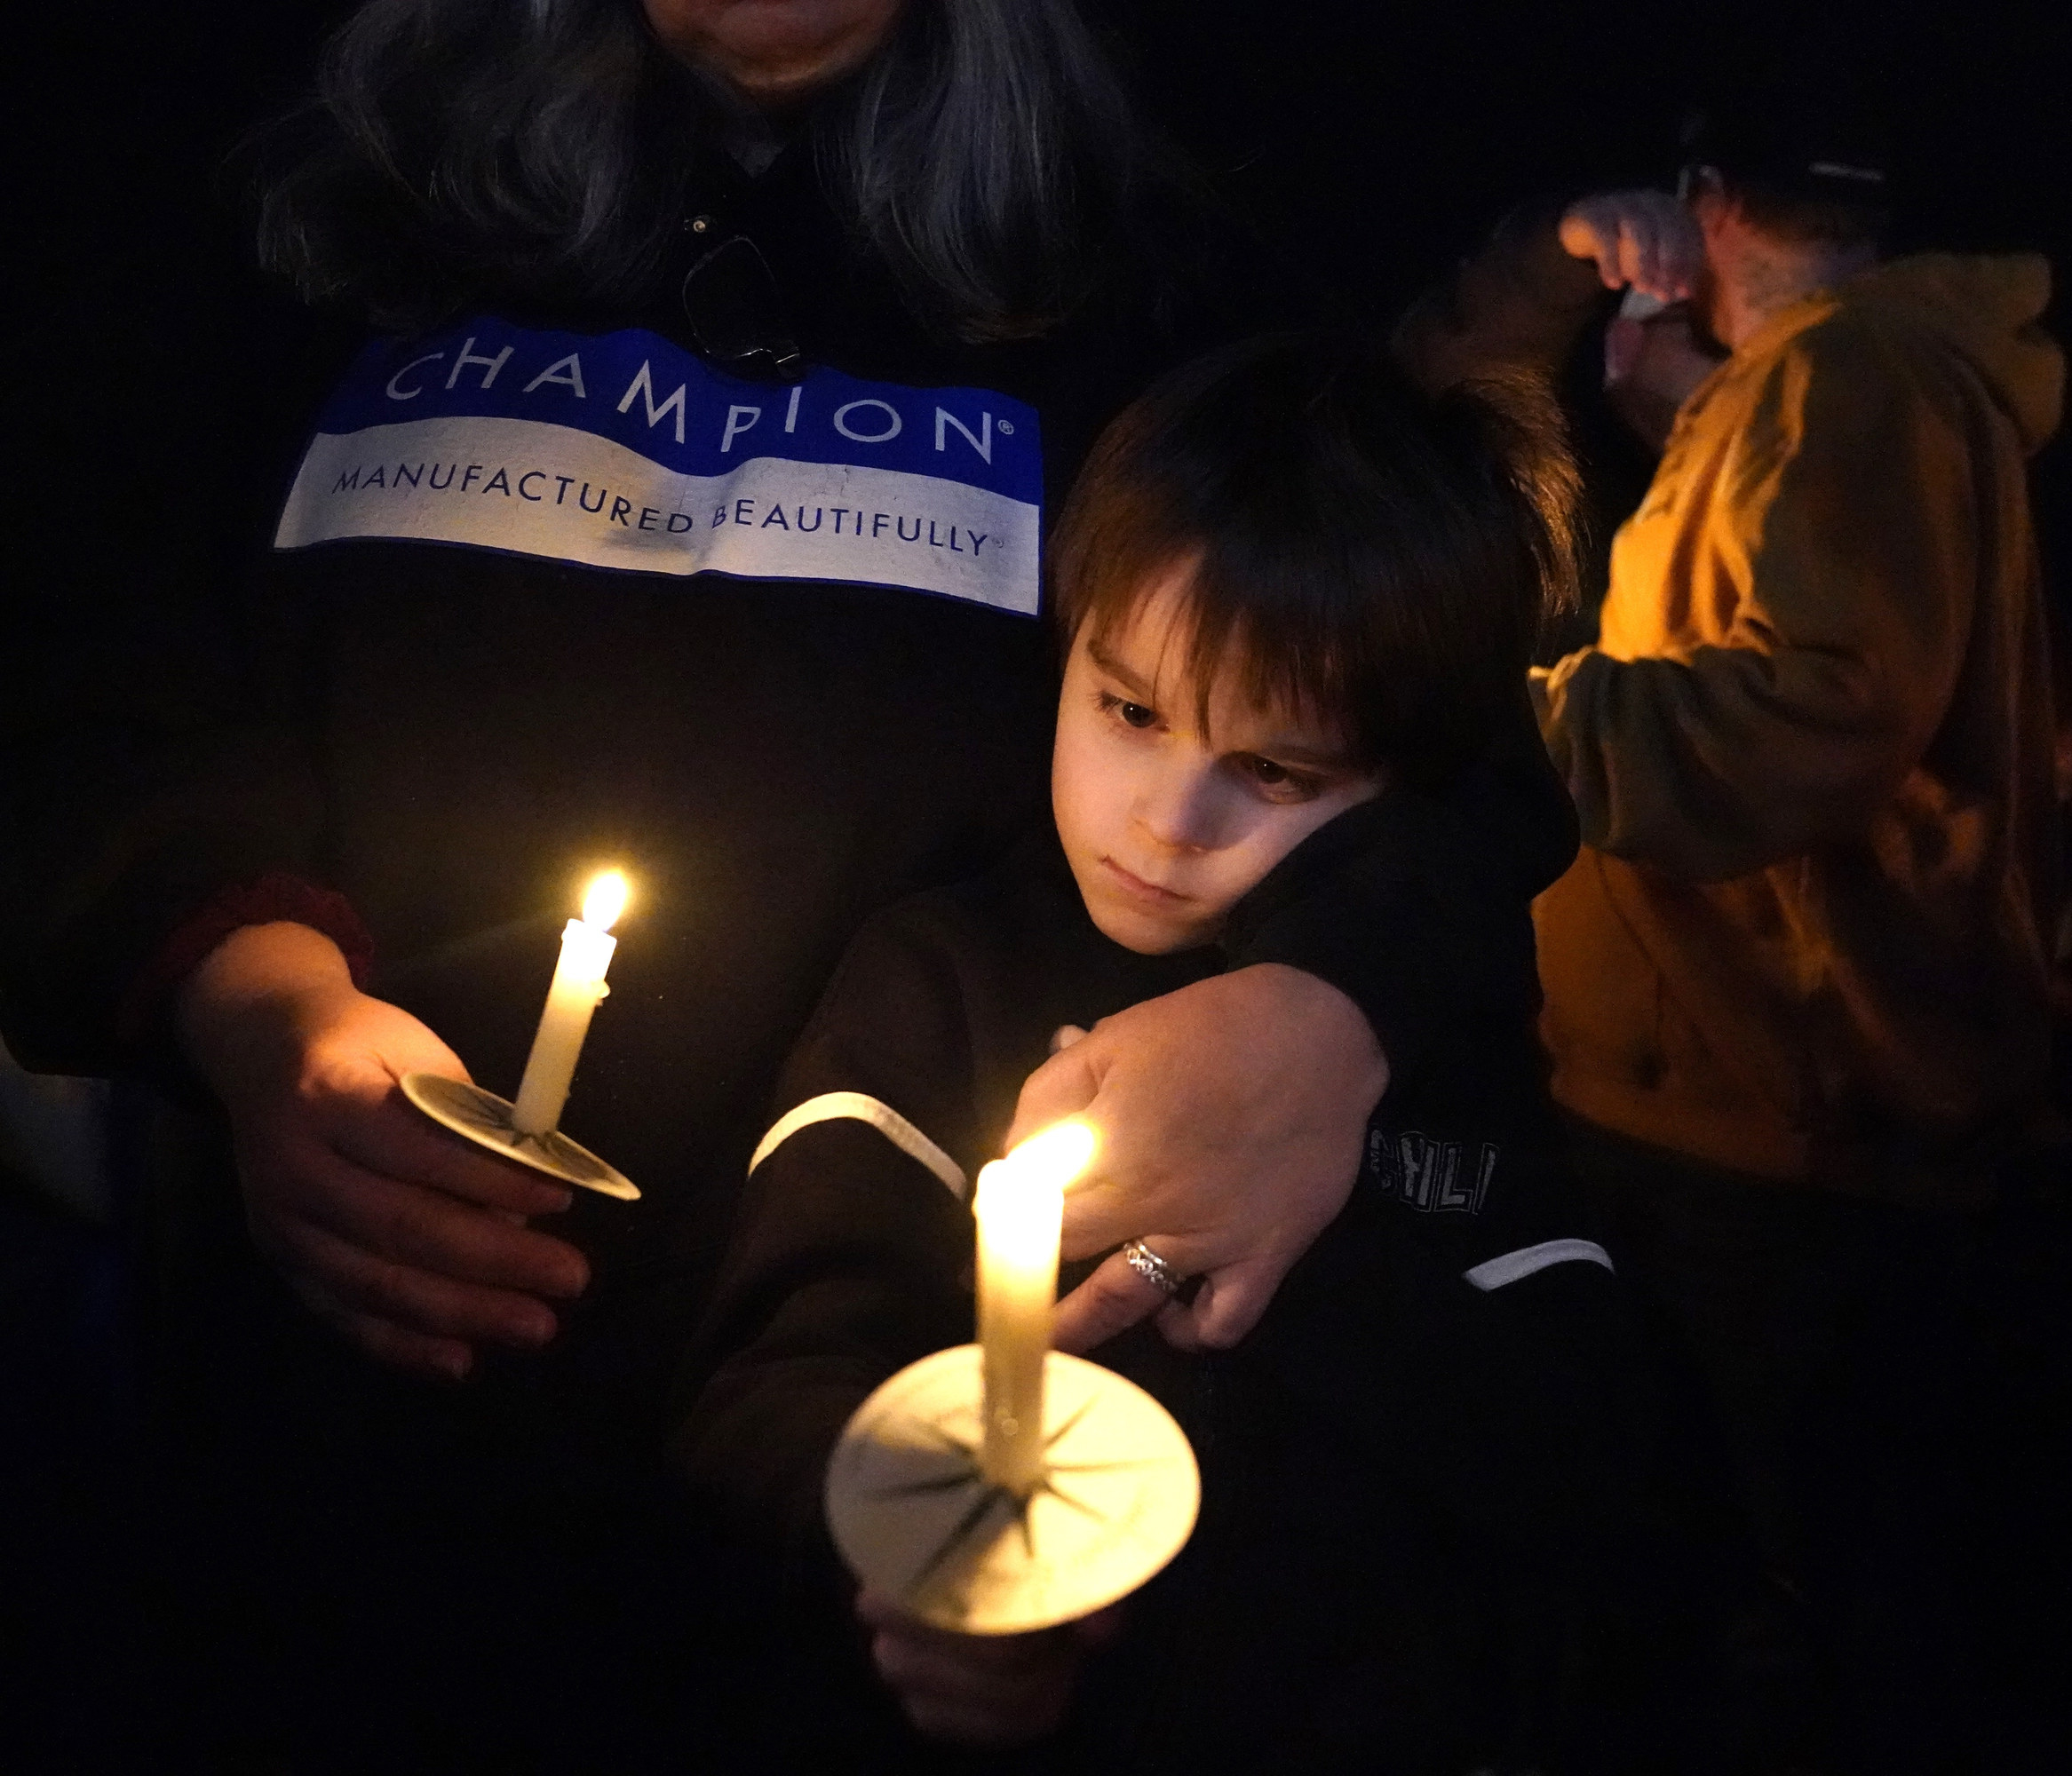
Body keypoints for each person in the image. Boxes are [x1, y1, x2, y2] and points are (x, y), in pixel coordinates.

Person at [0, 3, 1570, 1762]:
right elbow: (78, 665)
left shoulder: (1153, 276)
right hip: (312, 1455)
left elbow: (1442, 735)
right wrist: (240, 979)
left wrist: (1325, 1003)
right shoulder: (295, 209)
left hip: (848, 1508)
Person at [678, 336, 1705, 1772]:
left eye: (1277, 771)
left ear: (1403, 790)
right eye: (1131, 711)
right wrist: (914, 1580)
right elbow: (768, 1388)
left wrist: (1305, 1247)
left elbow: (1588, 1462)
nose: (1167, 822)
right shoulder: (937, 977)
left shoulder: (1426, 1045)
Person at [1401, 99, 2072, 1768]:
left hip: (1773, 1121)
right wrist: (1683, 418)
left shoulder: (1846, 372)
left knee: (1787, 1618)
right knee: (1813, 1589)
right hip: (1769, 1107)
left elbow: (1809, 715)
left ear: (1707, 206)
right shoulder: (1840, 385)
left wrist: (1497, 719)